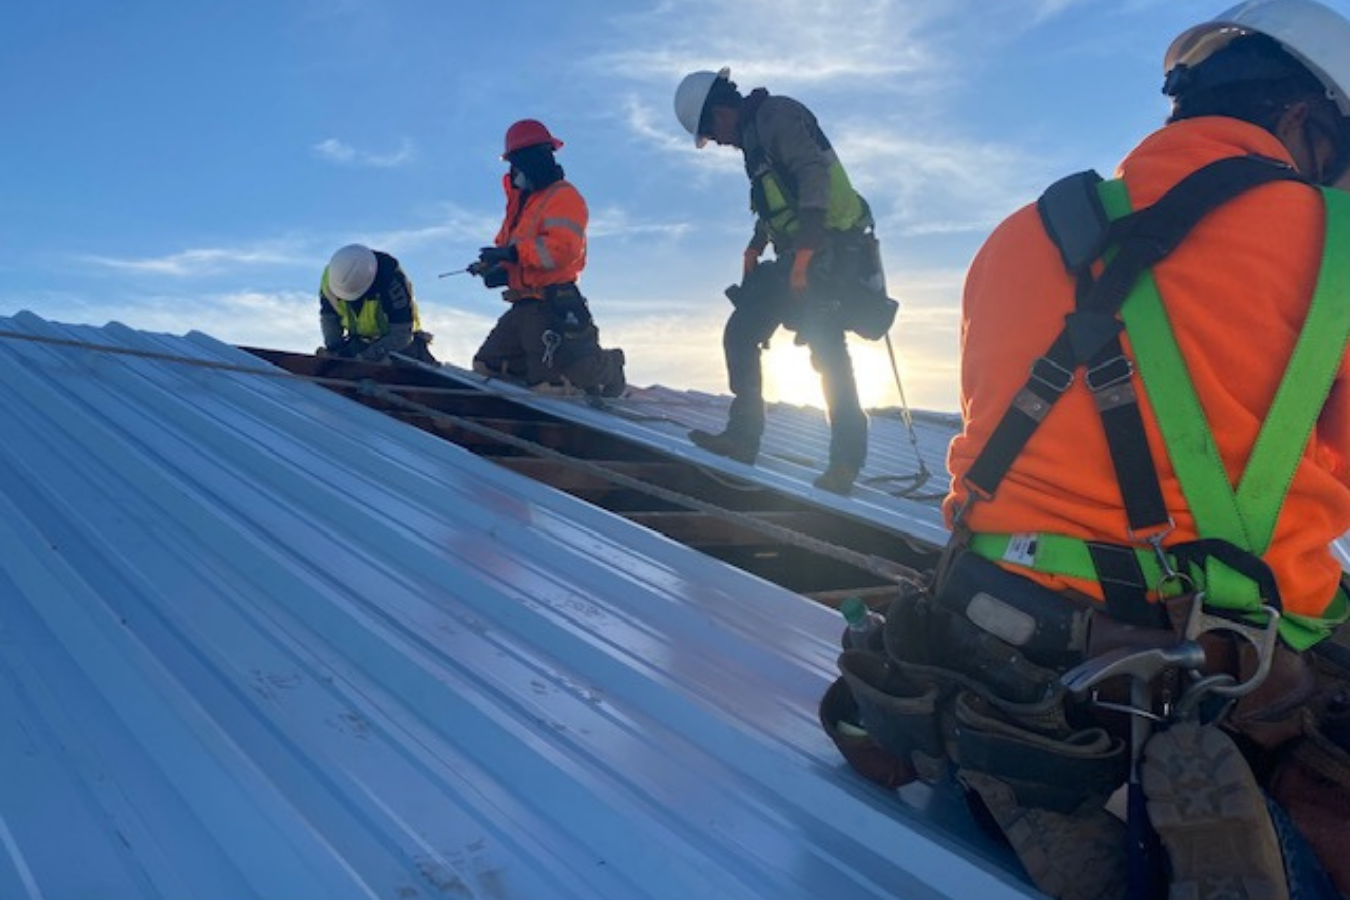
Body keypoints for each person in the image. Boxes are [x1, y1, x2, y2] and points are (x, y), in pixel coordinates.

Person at [823, 3, 1350, 899]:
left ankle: (1028, 775)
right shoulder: (1333, 243)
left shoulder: (1016, 235)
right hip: (1194, 653)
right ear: (1306, 123)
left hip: (990, 614)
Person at [672, 68, 897, 494]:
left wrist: (807, 253)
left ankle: (845, 464)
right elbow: (776, 203)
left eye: (709, 131)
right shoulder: (753, 142)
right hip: (802, 250)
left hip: (834, 248)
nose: (716, 141)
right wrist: (756, 245)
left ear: (721, 112)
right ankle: (742, 437)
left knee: (827, 347)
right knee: (743, 328)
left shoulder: (776, 115)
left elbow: (812, 176)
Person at [469, 118, 626, 398]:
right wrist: (497, 268)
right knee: (487, 366)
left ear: (532, 160)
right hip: (523, 304)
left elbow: (562, 249)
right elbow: (515, 251)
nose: (513, 171)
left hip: (552, 303)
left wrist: (513, 254)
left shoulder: (563, 197)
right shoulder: (522, 203)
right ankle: (537, 367)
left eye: (516, 163)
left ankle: (609, 366)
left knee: (551, 387)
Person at [318, 244, 436, 364]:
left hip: (400, 346)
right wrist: (335, 352)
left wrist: (365, 358)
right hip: (358, 342)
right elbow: (329, 318)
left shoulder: (391, 279)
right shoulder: (332, 278)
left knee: (402, 366)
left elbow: (402, 335)